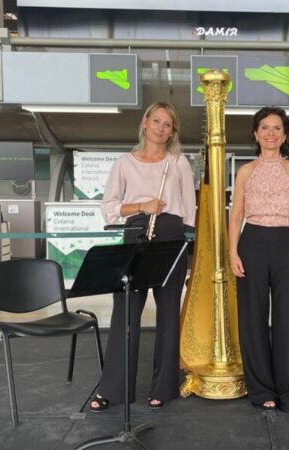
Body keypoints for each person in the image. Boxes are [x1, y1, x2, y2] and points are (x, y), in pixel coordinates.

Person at [90, 101, 196, 411]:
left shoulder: (178, 163)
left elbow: (189, 212)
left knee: (167, 315)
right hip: (135, 235)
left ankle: (164, 388)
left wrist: (189, 253)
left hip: (171, 237)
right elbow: (109, 208)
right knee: (124, 314)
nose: (161, 128)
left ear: (172, 130)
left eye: (168, 124)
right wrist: (141, 206)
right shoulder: (124, 162)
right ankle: (113, 388)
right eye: (157, 121)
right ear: (145, 122)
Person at [229, 106, 289, 413]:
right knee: (253, 319)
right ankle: (262, 389)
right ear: (256, 133)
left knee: (288, 319)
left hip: (288, 244)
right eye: (265, 127)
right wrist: (233, 251)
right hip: (252, 243)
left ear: (285, 134)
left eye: (277, 128)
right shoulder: (246, 171)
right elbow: (236, 214)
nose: (271, 133)